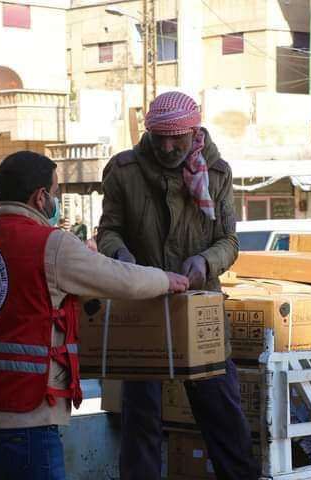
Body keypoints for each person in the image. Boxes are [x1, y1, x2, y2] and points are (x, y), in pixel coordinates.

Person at [0, 151, 189, 480]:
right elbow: (118, 278)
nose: (56, 201)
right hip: (26, 416)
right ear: (40, 197)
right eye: (55, 192)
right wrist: (166, 280)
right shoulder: (50, 245)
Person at [97, 92, 259, 480]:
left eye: (177, 139)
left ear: (193, 133)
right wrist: (120, 255)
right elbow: (108, 230)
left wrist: (205, 262)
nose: (167, 147)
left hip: (199, 308)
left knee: (222, 416)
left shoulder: (216, 172)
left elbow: (228, 241)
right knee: (141, 420)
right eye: (160, 138)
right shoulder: (124, 171)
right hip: (143, 307)